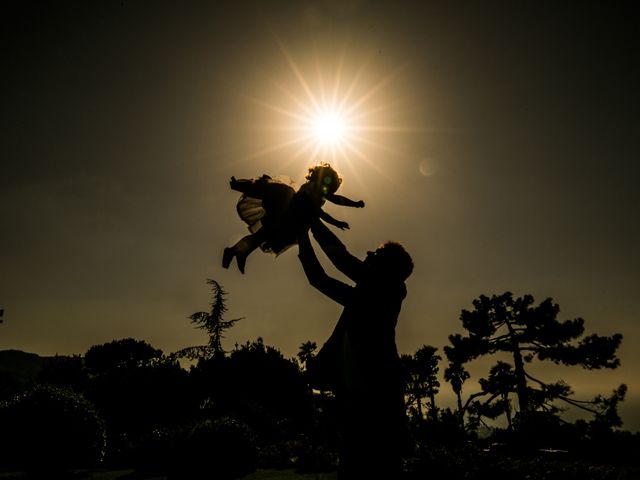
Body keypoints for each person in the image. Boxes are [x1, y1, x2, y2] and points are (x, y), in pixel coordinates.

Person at [297, 220, 413, 479]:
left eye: (377, 254)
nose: (369, 254)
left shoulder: (388, 290)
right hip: (357, 397)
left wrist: (311, 222)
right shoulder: (365, 297)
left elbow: (341, 260)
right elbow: (319, 279)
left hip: (378, 398)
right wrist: (302, 236)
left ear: (386, 269)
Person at [222, 163, 364, 274]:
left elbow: (320, 212)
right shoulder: (315, 188)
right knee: (270, 198)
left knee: (261, 236)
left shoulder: (318, 193)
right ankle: (241, 186)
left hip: (287, 221)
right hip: (286, 214)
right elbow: (330, 203)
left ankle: (237, 251)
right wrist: (354, 204)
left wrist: (337, 222)